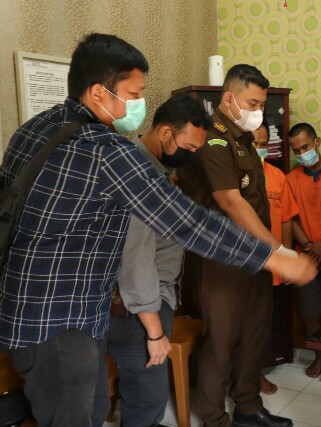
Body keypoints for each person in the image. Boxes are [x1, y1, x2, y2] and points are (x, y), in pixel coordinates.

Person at [0, 34, 315, 427]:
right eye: (134, 93)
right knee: (77, 416)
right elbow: (186, 222)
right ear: (98, 92)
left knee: (90, 411)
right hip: (60, 318)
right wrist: (272, 257)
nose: (139, 104)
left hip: (30, 308)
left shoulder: (36, 127)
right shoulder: (105, 150)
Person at [178, 64, 297, 427]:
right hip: (221, 261)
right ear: (229, 98)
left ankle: (247, 407)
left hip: (254, 256)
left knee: (253, 335)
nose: (258, 111)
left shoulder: (244, 138)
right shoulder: (212, 138)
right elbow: (230, 201)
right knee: (221, 342)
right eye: (253, 103)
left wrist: (269, 253)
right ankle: (214, 419)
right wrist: (278, 252)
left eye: (262, 104)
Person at [106, 93, 212, 426]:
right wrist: (154, 333)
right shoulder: (140, 178)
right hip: (137, 309)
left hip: (146, 301)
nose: (191, 156)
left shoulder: (153, 171)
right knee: (147, 395)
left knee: (145, 393)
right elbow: (134, 262)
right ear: (165, 132)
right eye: (189, 147)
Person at [287, 122, 321, 379]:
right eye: (296, 150)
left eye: (305, 147)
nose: (301, 154)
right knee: (309, 312)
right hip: (307, 256)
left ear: (317, 142)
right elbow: (290, 219)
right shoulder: (291, 179)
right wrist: (310, 248)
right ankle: (318, 358)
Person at [251, 121, 299, 395]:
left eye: (263, 144)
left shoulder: (278, 176)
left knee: (267, 322)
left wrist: (289, 259)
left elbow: (287, 219)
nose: (259, 149)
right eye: (254, 144)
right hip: (248, 266)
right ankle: (253, 375)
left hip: (275, 266)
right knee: (249, 325)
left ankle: (258, 369)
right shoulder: (236, 176)